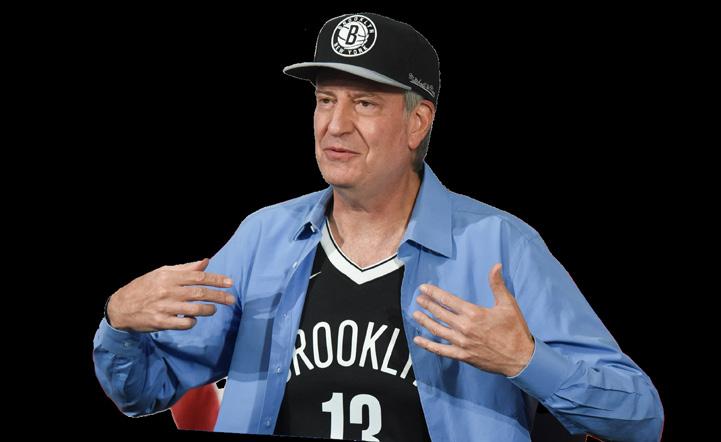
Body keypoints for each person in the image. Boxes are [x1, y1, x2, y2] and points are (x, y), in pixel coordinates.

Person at [93, 12, 664, 441]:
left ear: (418, 122)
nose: (335, 125)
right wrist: (119, 322)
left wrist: (525, 361)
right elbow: (144, 391)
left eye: (364, 103)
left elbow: (640, 416)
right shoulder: (263, 238)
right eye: (325, 100)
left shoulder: (498, 245)